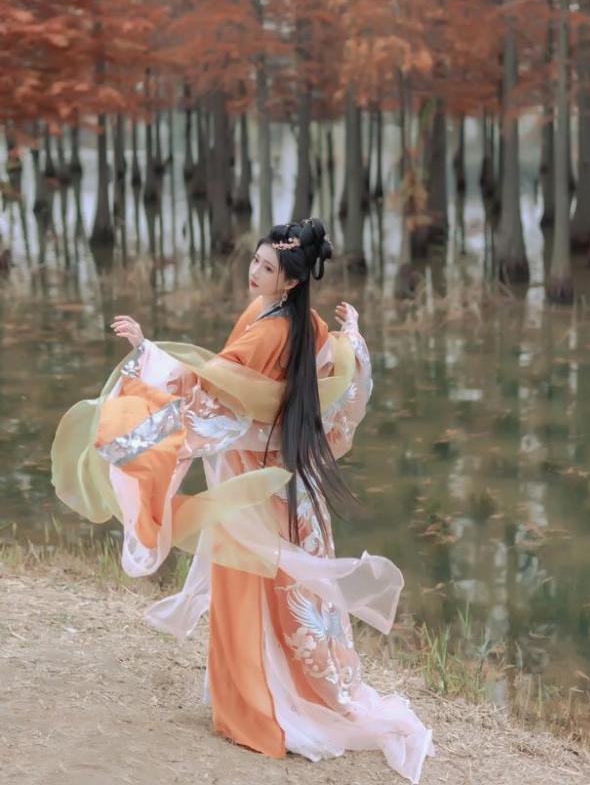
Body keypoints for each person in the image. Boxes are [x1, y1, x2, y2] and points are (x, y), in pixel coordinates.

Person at [51, 217, 433, 783]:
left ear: (292, 282)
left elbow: (212, 394)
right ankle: (278, 696)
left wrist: (146, 353)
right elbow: (332, 378)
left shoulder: (267, 328)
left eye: (267, 269)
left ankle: (256, 712)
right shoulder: (303, 322)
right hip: (288, 481)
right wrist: (354, 338)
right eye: (255, 261)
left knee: (245, 589)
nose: (254, 272)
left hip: (253, 481)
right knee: (280, 593)